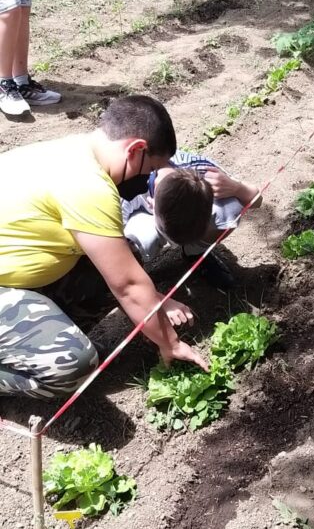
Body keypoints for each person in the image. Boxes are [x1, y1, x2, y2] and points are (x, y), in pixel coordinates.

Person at [0, 94, 207, 400]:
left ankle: (41, 340)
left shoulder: (75, 150)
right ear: (135, 149)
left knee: (122, 256)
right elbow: (127, 285)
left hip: (13, 276)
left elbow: (121, 269)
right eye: (149, 169)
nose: (147, 180)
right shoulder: (88, 185)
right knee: (73, 366)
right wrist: (171, 343)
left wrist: (154, 304)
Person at [122, 150, 263, 290]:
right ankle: (137, 278)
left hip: (168, 211)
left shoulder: (203, 171)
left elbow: (257, 200)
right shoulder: (126, 189)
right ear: (151, 203)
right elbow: (114, 245)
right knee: (137, 241)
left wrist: (237, 188)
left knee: (230, 207)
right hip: (137, 215)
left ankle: (194, 253)